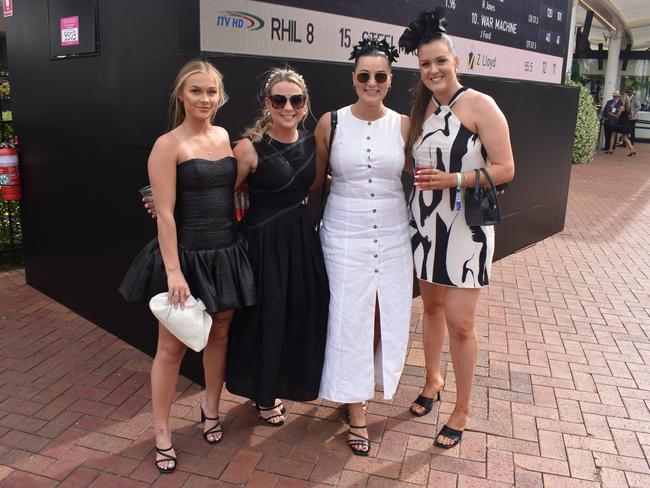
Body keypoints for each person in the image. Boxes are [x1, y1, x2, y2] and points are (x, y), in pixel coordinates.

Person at [119, 60, 256, 473]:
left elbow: (226, 190)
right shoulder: (167, 144)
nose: (204, 99)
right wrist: (174, 271)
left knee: (220, 333)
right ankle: (162, 430)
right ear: (182, 94)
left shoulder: (224, 136)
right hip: (185, 255)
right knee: (171, 347)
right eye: (196, 91)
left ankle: (210, 408)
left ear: (220, 96)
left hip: (225, 251)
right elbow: (163, 213)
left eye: (211, 91)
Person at [399, 9, 515, 449]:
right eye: (425, 64)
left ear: (456, 59)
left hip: (466, 229)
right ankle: (432, 380)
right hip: (428, 225)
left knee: (461, 323)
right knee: (429, 308)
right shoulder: (423, 107)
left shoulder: (480, 105)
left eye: (440, 61)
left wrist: (455, 180)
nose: (433, 70)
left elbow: (505, 168)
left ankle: (462, 410)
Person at [315, 39, 413, 456]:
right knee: (347, 314)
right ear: (353, 79)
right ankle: (355, 408)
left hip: (394, 233)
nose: (371, 83)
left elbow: (425, 172)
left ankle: (361, 385)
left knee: (382, 313)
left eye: (379, 76)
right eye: (363, 76)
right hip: (343, 233)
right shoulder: (330, 122)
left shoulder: (406, 124)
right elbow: (313, 181)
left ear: (390, 81)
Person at [225, 68, 329, 425]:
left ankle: (285, 383)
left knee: (298, 314)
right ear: (267, 103)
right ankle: (263, 396)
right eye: (280, 99)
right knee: (266, 320)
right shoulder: (248, 148)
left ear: (305, 104)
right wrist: (162, 201)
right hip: (263, 244)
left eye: (296, 100)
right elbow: (221, 195)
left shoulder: (315, 144)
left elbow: (321, 183)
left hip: (302, 241)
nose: (288, 107)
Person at [606, 91, 635, 156]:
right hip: (626, 123)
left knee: (613, 134)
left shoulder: (622, 107)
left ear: (624, 100)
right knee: (625, 137)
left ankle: (610, 149)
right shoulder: (629, 107)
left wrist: (611, 114)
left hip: (619, 123)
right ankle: (632, 149)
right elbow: (632, 116)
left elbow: (617, 116)